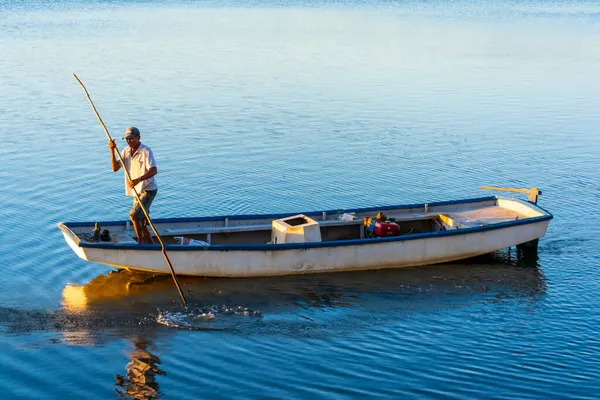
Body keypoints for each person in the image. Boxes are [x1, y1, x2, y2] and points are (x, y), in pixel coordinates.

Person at [109, 126, 158, 244]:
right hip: (136, 191)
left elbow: (153, 170)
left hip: (148, 190)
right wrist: (112, 150)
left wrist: (138, 179)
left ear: (138, 138)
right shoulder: (126, 151)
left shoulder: (146, 151)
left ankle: (140, 242)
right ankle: (151, 245)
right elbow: (115, 168)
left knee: (134, 215)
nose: (129, 141)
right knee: (142, 222)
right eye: (127, 139)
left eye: (131, 138)